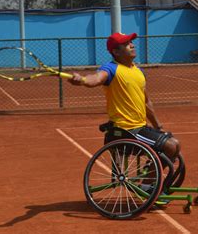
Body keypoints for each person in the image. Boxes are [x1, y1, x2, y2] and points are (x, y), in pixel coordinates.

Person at [69, 32, 180, 161]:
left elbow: (146, 102)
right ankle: (147, 182)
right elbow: (95, 79)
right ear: (116, 52)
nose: (132, 45)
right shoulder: (110, 69)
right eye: (126, 44)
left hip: (140, 128)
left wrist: (158, 126)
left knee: (173, 144)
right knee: (172, 146)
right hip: (125, 131)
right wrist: (82, 80)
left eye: (131, 42)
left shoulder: (139, 72)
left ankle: (152, 178)